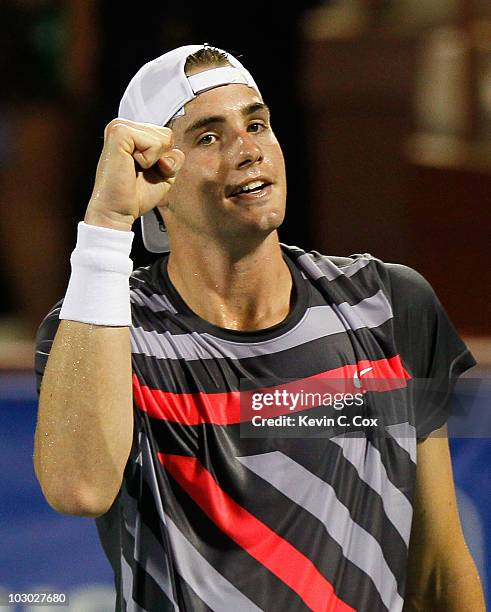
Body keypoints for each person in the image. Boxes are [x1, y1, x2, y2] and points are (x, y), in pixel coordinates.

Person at [33, 45, 485, 611]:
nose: (248, 151)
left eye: (257, 124)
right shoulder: (108, 332)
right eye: (208, 136)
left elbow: (439, 570)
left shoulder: (389, 303)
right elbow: (79, 489)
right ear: (153, 177)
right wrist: (106, 223)